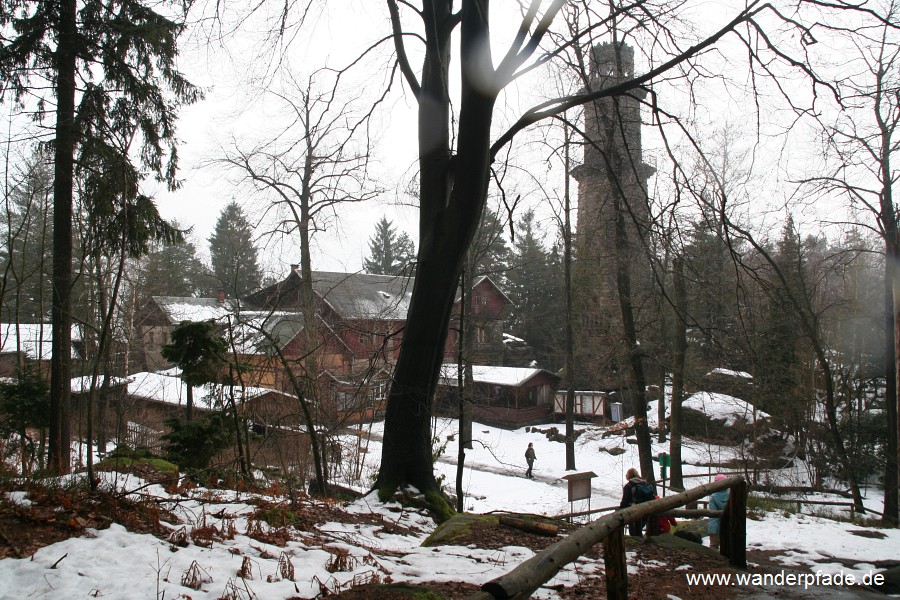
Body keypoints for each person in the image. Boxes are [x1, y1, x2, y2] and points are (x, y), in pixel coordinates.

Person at [620, 467, 655, 536]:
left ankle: (636, 541)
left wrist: (620, 510)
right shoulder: (645, 484)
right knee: (639, 530)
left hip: (634, 511)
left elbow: (625, 501)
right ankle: (640, 539)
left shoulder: (629, 486)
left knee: (633, 532)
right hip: (646, 510)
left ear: (628, 476)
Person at [708, 474, 730, 550]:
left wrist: (712, 530)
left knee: (714, 547)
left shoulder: (714, 498)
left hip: (716, 528)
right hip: (730, 526)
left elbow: (713, 516)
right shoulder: (731, 495)